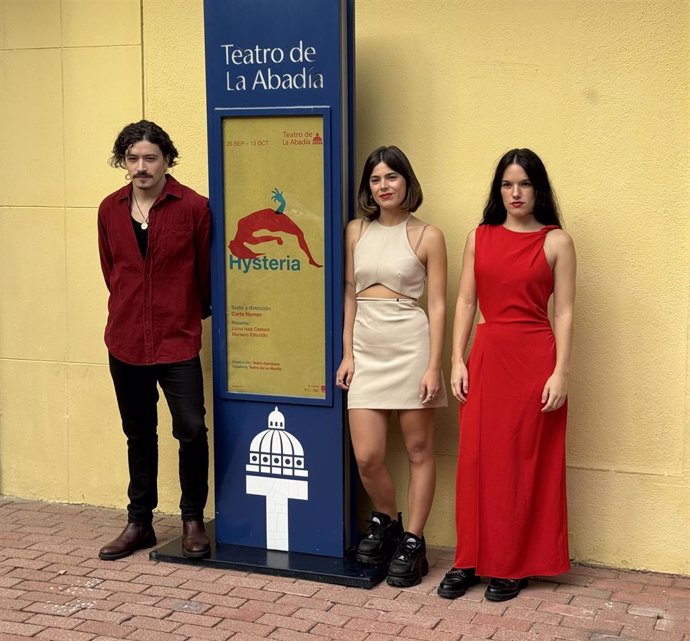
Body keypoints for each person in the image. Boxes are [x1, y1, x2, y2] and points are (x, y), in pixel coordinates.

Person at [438, 148, 576, 601]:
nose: (516, 193)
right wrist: (457, 358)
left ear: (538, 189)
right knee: (476, 460)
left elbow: (566, 311)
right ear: (499, 190)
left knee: (520, 463)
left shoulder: (557, 242)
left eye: (525, 183)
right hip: (488, 356)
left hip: (536, 359)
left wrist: (561, 372)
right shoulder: (480, 237)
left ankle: (513, 563)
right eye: (507, 184)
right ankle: (470, 559)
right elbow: (464, 302)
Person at [97, 120, 212, 561]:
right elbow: (113, 271)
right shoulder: (109, 209)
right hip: (125, 339)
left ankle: (191, 519)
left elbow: (204, 275)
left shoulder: (194, 208)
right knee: (138, 433)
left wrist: (184, 313)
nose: (141, 167)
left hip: (177, 339)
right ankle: (139, 523)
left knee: (192, 429)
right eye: (133, 158)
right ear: (123, 163)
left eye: (150, 157)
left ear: (167, 160)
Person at [336, 146, 447, 587]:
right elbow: (348, 292)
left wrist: (433, 365)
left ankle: (414, 541)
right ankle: (388, 519)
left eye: (392, 178)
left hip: (411, 345)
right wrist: (347, 353)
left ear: (407, 182)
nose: (383, 186)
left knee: (420, 451)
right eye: (376, 179)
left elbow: (437, 304)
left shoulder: (428, 235)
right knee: (368, 455)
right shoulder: (355, 231)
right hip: (366, 346)